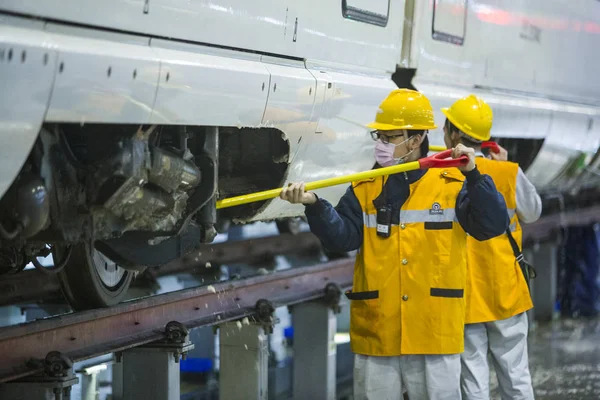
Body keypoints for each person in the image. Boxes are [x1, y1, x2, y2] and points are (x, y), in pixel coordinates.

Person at [279, 89, 509, 399]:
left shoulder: (452, 185)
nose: (382, 144)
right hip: (380, 330)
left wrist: (474, 175)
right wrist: (315, 205)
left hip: (433, 332)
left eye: (391, 137)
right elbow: (343, 238)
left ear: (415, 140)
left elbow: (492, 225)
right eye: (380, 136)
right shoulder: (366, 186)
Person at [442, 94, 542, 400]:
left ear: (455, 134)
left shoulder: (443, 174)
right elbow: (534, 211)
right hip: (505, 292)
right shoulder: (508, 172)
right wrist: (512, 167)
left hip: (465, 293)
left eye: (446, 128)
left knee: (472, 381)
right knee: (516, 377)